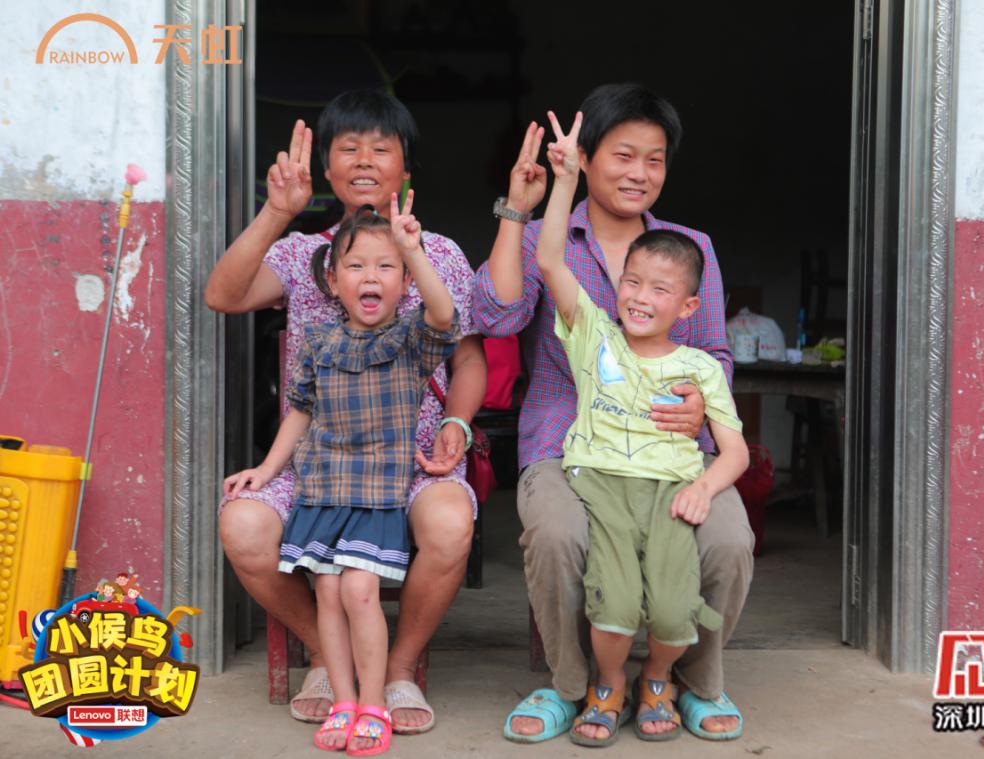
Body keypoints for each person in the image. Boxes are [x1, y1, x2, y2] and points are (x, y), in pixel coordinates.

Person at [474, 83, 754, 743]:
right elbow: (496, 314)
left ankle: (688, 680)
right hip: (566, 445)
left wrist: (698, 407)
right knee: (557, 533)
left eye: (654, 160)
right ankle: (575, 685)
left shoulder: (690, 248)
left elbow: (713, 352)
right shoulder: (548, 239)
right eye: (623, 156)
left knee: (728, 539)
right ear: (587, 158)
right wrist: (518, 211)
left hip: (671, 448)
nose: (639, 173)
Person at [205, 90, 484, 734]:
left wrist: (456, 424)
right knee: (243, 525)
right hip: (319, 464)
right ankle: (328, 661)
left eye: (381, 148)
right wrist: (277, 212)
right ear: (326, 168)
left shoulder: (436, 253)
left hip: (412, 459)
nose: (364, 160)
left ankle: (398, 668)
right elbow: (223, 294)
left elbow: (467, 357)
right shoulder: (304, 253)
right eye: (348, 148)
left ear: (405, 166)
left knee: (448, 524)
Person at [224, 196, 458, 754]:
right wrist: (266, 469)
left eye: (386, 267)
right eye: (355, 266)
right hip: (323, 490)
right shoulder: (318, 343)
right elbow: (299, 413)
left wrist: (413, 251)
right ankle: (345, 701)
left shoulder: (409, 341)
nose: (370, 277)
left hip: (377, 494)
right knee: (328, 593)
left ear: (405, 281)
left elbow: (444, 314)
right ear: (332, 281)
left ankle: (374, 703)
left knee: (358, 590)